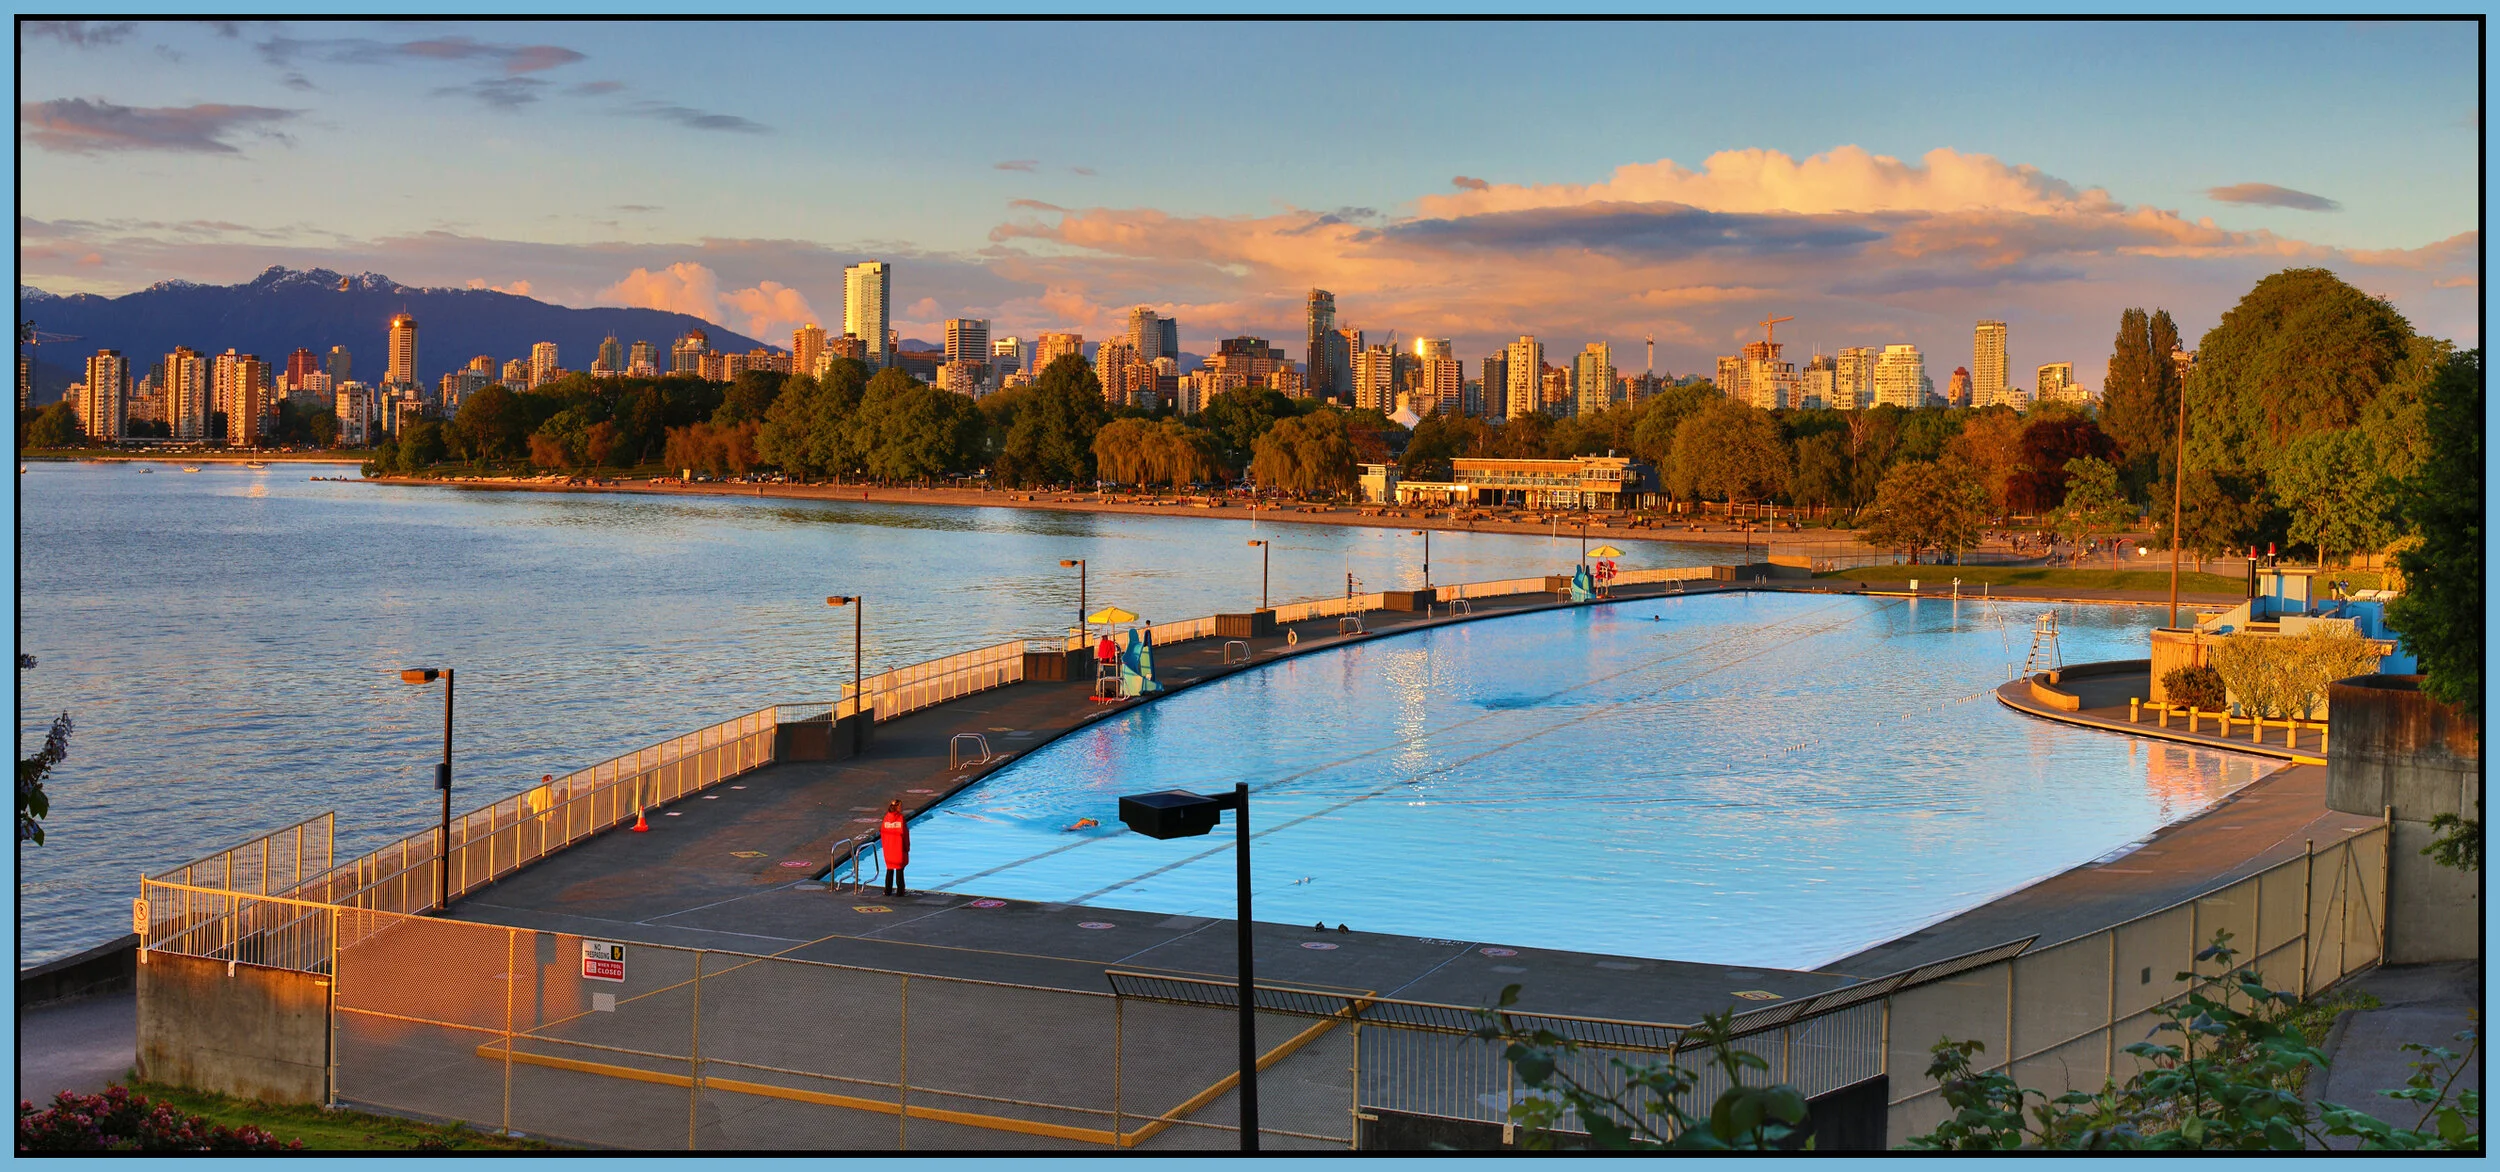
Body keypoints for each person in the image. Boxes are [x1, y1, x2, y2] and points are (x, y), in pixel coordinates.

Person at [879, 800, 911, 897]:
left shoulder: (886, 818)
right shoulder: (900, 819)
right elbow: (905, 834)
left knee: (889, 869)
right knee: (899, 870)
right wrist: (907, 847)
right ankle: (900, 891)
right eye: (901, 806)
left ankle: (887, 891)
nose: (902, 807)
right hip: (898, 848)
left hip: (888, 849)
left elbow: (882, 834)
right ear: (897, 807)